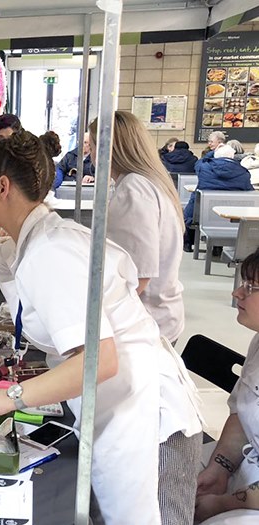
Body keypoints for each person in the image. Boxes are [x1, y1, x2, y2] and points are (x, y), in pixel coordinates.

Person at [0, 129, 202, 524]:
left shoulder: (52, 252)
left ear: (3, 187)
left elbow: (100, 361)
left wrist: (10, 397)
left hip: (146, 417)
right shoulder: (31, 237)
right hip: (114, 403)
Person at [90, 111, 186, 344]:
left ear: (109, 148)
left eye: (92, 145)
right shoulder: (144, 183)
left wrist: (94, 318)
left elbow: (139, 276)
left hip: (147, 322)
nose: (90, 153)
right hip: (157, 315)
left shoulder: (134, 190)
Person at [194, 249, 259, 524]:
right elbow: (242, 414)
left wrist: (221, 504)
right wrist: (219, 469)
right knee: (167, 479)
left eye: (251, 287)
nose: (237, 294)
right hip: (248, 466)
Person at [183, 144, 253, 250]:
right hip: (230, 216)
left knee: (192, 207)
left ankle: (188, 243)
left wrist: (214, 151)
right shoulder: (243, 172)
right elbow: (249, 191)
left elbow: (200, 161)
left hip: (203, 214)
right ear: (232, 157)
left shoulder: (204, 167)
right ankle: (217, 248)